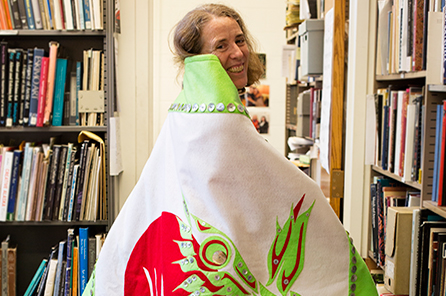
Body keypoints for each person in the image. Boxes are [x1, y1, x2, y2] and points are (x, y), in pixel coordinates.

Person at [86, 4, 378, 296]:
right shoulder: (218, 120)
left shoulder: (190, 107)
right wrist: (310, 194)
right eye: (221, 46)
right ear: (199, 59)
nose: (238, 53)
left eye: (240, 40)